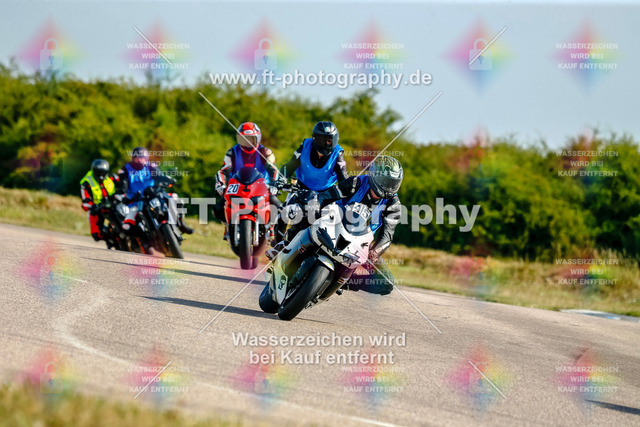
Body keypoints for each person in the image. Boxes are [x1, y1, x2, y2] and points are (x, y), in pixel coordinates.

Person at [274, 156, 403, 295]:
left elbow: (387, 235)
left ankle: (340, 281)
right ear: (374, 175)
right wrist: (316, 204)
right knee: (308, 210)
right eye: (386, 181)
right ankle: (285, 244)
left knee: (386, 283)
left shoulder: (394, 205)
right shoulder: (357, 182)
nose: (389, 187)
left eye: (393, 183)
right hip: (333, 222)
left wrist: (375, 252)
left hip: (360, 243)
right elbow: (329, 195)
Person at [274, 121, 349, 242]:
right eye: (322, 139)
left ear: (335, 140)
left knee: (330, 221)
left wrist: (348, 193)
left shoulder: (337, 154)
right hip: (301, 188)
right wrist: (280, 180)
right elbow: (290, 165)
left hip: (325, 194)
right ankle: (278, 245)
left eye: (329, 140)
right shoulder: (305, 146)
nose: (326, 143)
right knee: (282, 215)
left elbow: (344, 179)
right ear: (314, 138)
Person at [212, 122, 284, 234]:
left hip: (262, 187)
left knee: (280, 208)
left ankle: (273, 230)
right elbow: (223, 171)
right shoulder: (232, 152)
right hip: (237, 187)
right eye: (243, 139)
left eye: (251, 138)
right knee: (218, 209)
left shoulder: (266, 152)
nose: (247, 141)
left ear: (257, 138)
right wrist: (220, 185)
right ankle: (228, 225)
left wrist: (275, 185)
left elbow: (274, 171)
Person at [117, 147, 193, 235]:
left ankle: (181, 222)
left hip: (153, 194)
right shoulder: (125, 169)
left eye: (142, 158)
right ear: (133, 158)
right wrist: (123, 195)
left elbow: (159, 175)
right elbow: (123, 185)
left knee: (175, 198)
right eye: (138, 158)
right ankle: (145, 238)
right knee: (127, 225)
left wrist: (167, 179)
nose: (140, 160)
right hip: (136, 201)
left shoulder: (150, 165)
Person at [80, 159, 118, 242]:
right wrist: (93, 206)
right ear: (93, 171)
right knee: (97, 235)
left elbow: (124, 183)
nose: (101, 175)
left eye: (103, 172)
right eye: (98, 172)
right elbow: (85, 202)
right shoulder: (86, 183)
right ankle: (111, 240)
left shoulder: (111, 177)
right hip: (98, 209)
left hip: (113, 204)